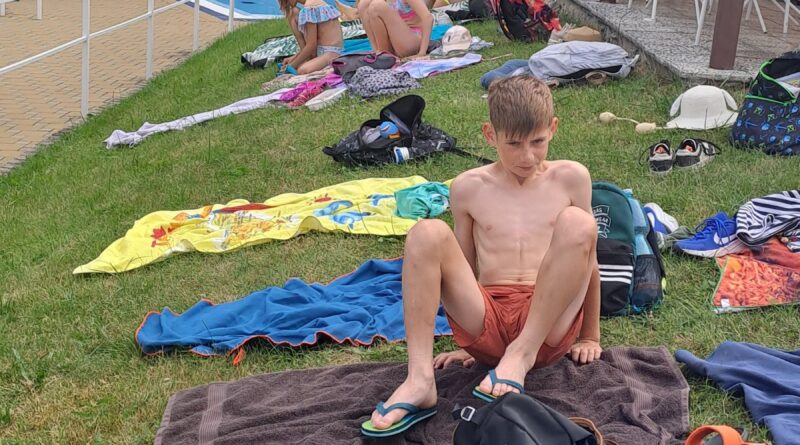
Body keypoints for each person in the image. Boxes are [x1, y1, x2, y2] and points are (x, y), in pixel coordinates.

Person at [361, 76, 603, 436]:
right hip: (489, 316)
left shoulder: (571, 178)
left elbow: (587, 260)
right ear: (490, 135)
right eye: (514, 144)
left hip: (547, 326)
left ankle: (520, 354)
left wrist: (590, 336)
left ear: (552, 128)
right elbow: (461, 265)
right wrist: (472, 346)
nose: (527, 156)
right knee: (426, 232)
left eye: (538, 142)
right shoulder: (468, 187)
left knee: (579, 224)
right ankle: (419, 379)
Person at [279, 0, 344, 75]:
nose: (287, 3)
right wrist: (294, 58)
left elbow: (311, 46)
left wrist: (291, 66)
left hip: (331, 53)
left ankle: (328, 67)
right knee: (293, 12)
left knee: (302, 70)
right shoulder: (312, 5)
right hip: (322, 51)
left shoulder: (310, 7)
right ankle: (306, 60)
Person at [357, 0, 433, 58]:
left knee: (377, 5)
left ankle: (383, 55)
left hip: (412, 40)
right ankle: (379, 52)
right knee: (364, 4)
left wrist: (422, 52)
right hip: (396, 41)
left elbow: (428, 18)